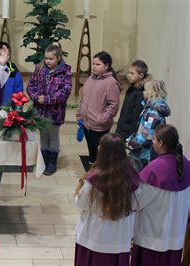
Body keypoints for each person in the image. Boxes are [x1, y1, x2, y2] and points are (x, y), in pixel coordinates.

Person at [74, 133, 141, 266]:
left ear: (102, 152)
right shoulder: (133, 177)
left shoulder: (93, 179)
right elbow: (137, 204)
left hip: (94, 237)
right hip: (120, 238)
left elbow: (81, 203)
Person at [131, 124, 190, 266]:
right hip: (176, 236)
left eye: (154, 139)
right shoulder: (186, 164)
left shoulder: (154, 170)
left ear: (161, 143)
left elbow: (135, 203)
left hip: (152, 239)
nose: (153, 142)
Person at [27, 44, 72, 175]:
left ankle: (52, 162)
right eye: (46, 58)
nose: (47, 61)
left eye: (51, 59)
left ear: (58, 58)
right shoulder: (39, 68)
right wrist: (36, 97)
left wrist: (48, 99)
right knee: (43, 135)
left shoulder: (65, 72)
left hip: (55, 112)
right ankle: (44, 159)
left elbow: (65, 92)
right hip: (40, 110)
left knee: (53, 135)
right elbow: (31, 85)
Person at [76, 51, 120, 169]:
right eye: (94, 64)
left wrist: (102, 119)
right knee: (91, 151)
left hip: (99, 126)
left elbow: (113, 105)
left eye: (98, 64)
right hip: (86, 123)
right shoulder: (90, 79)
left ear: (106, 66)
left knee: (100, 153)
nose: (94, 66)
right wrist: (80, 114)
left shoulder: (111, 83)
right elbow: (83, 99)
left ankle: (100, 175)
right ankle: (92, 171)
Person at [127, 79, 170, 171]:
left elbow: (146, 136)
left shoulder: (153, 113)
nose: (143, 92)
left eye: (145, 90)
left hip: (145, 155)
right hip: (143, 153)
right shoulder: (149, 108)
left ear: (153, 92)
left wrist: (130, 144)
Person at [115, 60, 150, 140]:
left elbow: (137, 116)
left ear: (141, 75)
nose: (129, 76)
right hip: (122, 128)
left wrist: (132, 136)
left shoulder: (141, 93)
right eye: (129, 73)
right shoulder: (132, 88)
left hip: (129, 133)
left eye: (132, 73)